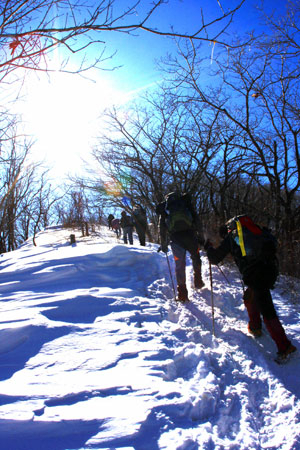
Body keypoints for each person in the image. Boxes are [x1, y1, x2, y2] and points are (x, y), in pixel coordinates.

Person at [204, 215, 296, 362]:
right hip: (270, 270)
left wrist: (208, 248)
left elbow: (215, 258)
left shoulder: (233, 236)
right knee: (250, 296)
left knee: (267, 310)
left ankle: (285, 347)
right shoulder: (256, 231)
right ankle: (255, 327)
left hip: (256, 274)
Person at [157, 191, 204, 302]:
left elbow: (162, 227)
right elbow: (197, 220)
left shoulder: (166, 207)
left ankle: (182, 294)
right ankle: (198, 281)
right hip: (190, 236)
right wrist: (201, 236)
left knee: (179, 264)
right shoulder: (185, 203)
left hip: (175, 239)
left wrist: (163, 243)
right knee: (196, 257)